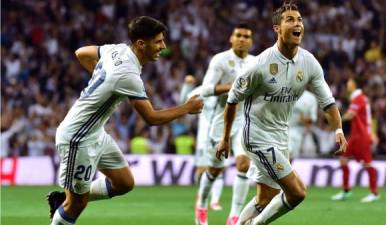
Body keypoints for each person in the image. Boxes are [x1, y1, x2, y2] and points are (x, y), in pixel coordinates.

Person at [46, 16, 203, 225]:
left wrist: (103, 80)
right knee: (77, 204)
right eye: (157, 42)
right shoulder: (127, 75)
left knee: (124, 183)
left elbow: (81, 53)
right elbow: (151, 118)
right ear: (140, 44)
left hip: (95, 133)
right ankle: (66, 204)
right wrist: (187, 108)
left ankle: (65, 198)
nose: (163, 46)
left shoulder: (117, 49)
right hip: (77, 138)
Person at [216, 2, 348, 225]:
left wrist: (338, 129)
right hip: (256, 137)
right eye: (290, 20)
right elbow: (231, 101)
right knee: (297, 192)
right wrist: (224, 138)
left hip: (280, 137)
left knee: (265, 198)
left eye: (299, 20)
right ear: (277, 28)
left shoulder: (309, 63)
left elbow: (328, 101)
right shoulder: (259, 66)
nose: (297, 24)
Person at [194, 23, 255, 225]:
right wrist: (233, 87)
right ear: (231, 38)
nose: (242, 39)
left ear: (251, 41)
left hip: (245, 122)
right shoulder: (220, 59)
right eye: (238, 35)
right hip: (221, 121)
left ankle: (234, 216)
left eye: (246, 36)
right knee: (214, 170)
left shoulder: (256, 63)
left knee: (243, 164)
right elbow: (205, 90)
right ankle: (202, 204)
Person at [331, 77, 379, 203]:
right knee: (343, 159)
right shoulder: (359, 98)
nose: (347, 84)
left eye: (350, 82)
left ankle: (374, 193)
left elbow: (351, 114)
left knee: (367, 163)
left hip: (362, 136)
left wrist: (337, 120)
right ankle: (346, 191)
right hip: (355, 135)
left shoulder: (359, 98)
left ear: (355, 85)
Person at [180, 75, 224, 211]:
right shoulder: (201, 90)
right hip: (204, 136)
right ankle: (201, 198)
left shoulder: (227, 90)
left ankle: (215, 201)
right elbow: (183, 102)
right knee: (201, 170)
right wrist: (187, 86)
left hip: (220, 135)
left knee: (218, 168)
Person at [288, 90, 318, 160]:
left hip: (300, 131)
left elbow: (313, 118)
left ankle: (286, 170)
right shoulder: (284, 93)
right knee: (287, 153)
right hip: (284, 129)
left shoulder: (310, 97)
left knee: (292, 157)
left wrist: (304, 119)